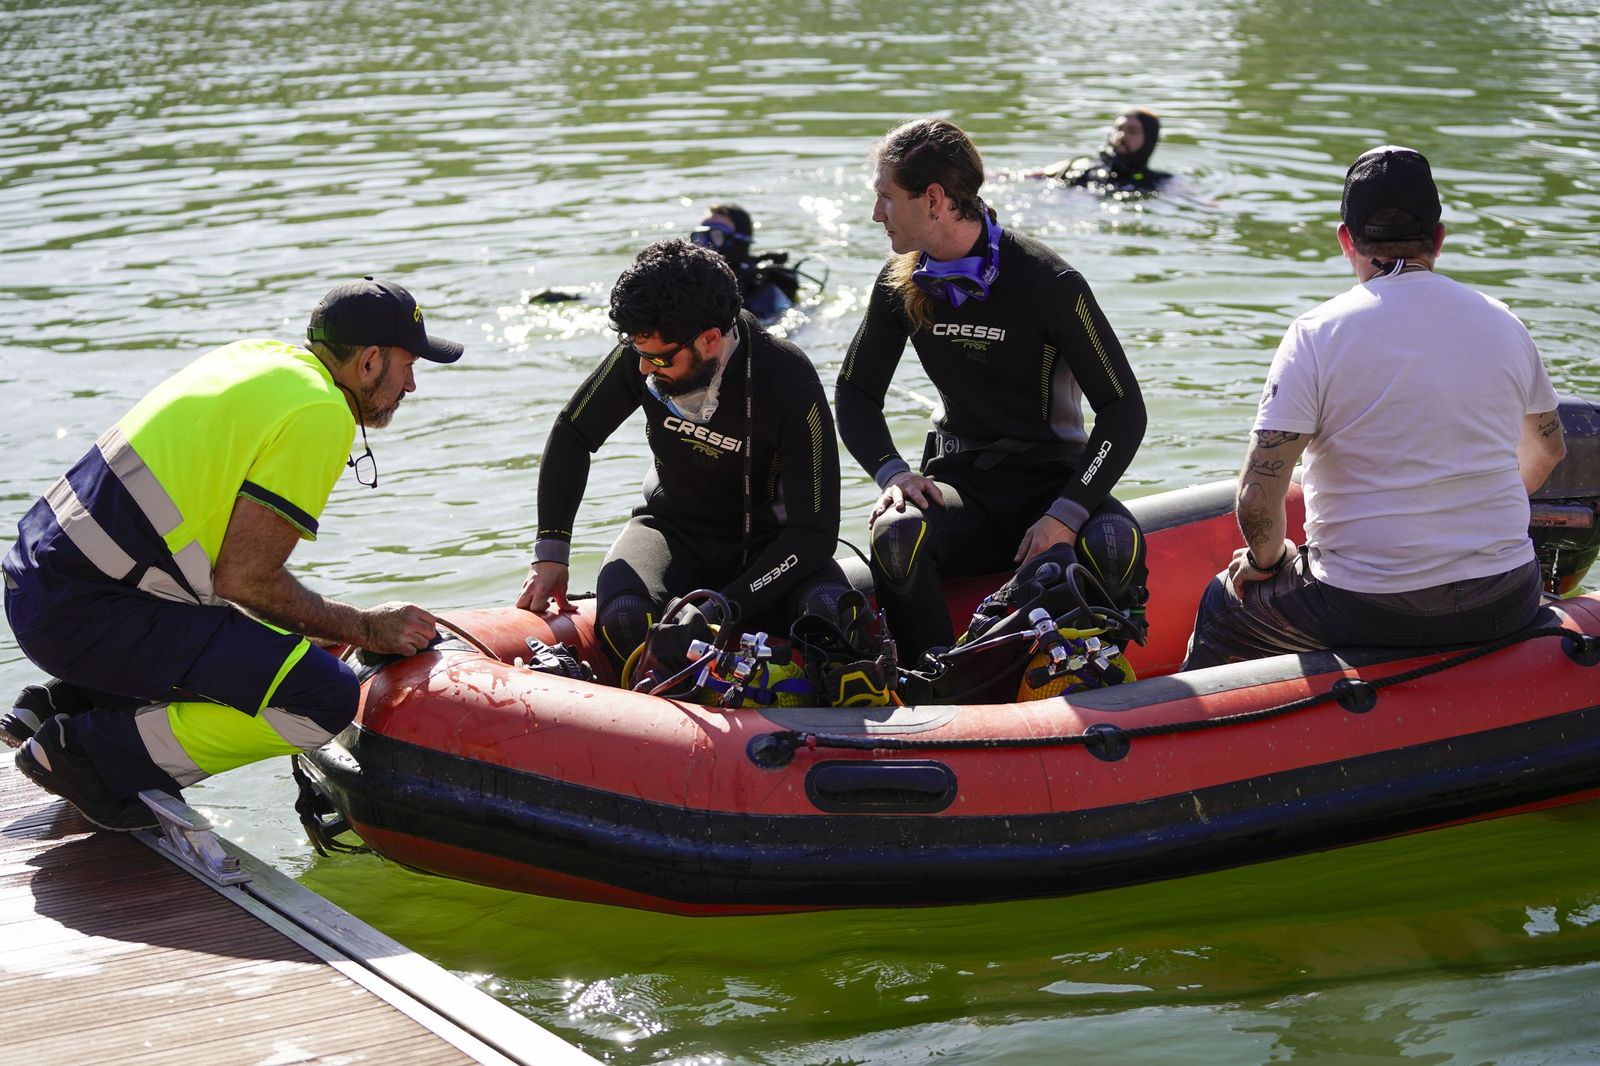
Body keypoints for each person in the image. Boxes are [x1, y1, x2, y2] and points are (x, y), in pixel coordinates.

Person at [3, 278, 462, 830]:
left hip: (41, 588)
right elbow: (246, 579)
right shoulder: (320, 412)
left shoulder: (259, 358)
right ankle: (87, 757)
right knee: (321, 696)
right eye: (408, 365)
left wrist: (307, 625)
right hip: (87, 614)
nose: (411, 386)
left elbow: (213, 561)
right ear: (368, 363)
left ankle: (68, 703)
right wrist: (364, 627)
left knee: (268, 647)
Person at [1181, 146, 1567, 670]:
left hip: (1365, 606)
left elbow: (1256, 494)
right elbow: (1548, 451)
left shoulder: (1316, 334)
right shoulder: (1505, 322)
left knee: (1225, 603)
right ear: (1438, 238)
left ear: (1346, 239)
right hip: (1506, 595)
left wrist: (1267, 562)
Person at [836, 117, 1148, 663]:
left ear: (933, 199)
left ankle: (1094, 683)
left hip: (1053, 483)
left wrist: (1067, 514)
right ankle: (930, 691)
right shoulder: (897, 282)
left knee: (1114, 544)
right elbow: (855, 392)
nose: (876, 214)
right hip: (961, 490)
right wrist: (893, 473)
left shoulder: (1048, 282)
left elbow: (1124, 411)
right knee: (894, 535)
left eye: (886, 197)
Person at [516, 239, 848, 672]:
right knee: (623, 618)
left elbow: (814, 533)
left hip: (770, 550)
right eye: (639, 354)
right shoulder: (648, 351)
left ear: (710, 340)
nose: (643, 370)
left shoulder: (787, 380)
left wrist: (719, 608)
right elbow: (573, 433)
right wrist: (551, 551)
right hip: (671, 534)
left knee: (832, 612)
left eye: (657, 359)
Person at [690, 204, 805, 324]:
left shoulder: (764, 290)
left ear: (740, 241)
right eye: (700, 237)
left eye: (716, 236)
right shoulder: (692, 284)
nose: (705, 246)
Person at [1029, 108, 1170, 195]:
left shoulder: (1163, 182)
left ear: (1149, 140)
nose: (1122, 136)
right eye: (1119, 129)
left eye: (1132, 132)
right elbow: (1022, 176)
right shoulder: (1076, 166)